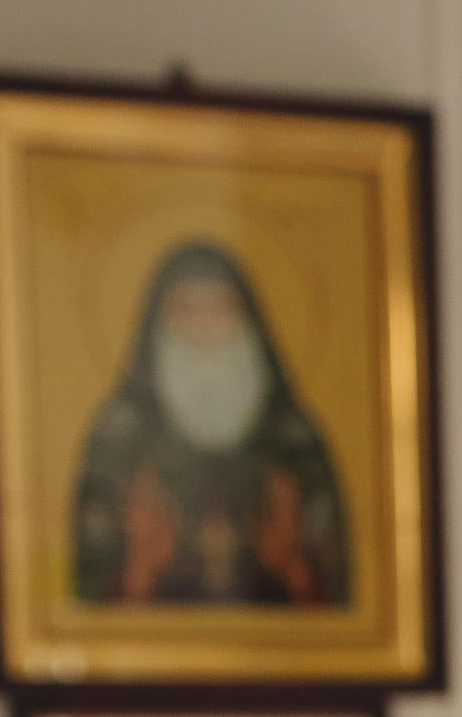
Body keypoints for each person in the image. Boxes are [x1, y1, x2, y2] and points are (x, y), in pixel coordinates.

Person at [70, 238, 350, 609]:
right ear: (157, 322)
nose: (202, 327)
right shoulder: (121, 434)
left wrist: (293, 566)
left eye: (220, 309)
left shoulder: (292, 436)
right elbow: (90, 586)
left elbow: (334, 584)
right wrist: (138, 568)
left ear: (250, 319)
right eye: (184, 310)